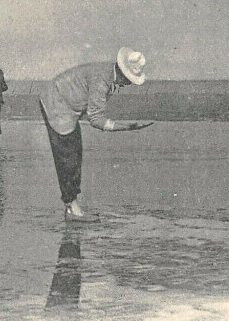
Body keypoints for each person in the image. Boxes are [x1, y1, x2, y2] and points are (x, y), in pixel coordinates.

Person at [39, 47, 153, 222]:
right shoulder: (102, 80)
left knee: (74, 154)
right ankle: (72, 209)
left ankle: (72, 207)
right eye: (129, 80)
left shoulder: (108, 74)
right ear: (122, 73)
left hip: (65, 102)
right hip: (57, 103)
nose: (128, 84)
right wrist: (126, 127)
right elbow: (96, 119)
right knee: (67, 156)